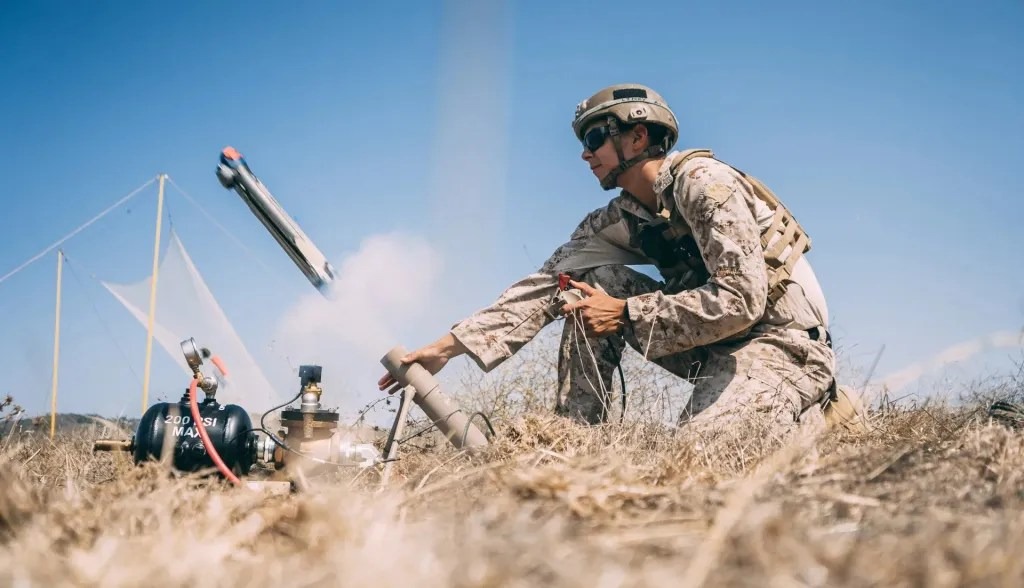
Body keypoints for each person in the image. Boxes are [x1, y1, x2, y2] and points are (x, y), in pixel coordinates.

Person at [378, 83, 842, 437]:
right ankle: (572, 439)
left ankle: (811, 414)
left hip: (783, 346)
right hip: (714, 348)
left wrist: (625, 313)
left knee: (699, 456)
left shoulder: (705, 184)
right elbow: (547, 284)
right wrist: (447, 346)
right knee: (591, 282)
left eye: (596, 137)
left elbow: (742, 299)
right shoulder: (621, 218)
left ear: (638, 137)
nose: (585, 153)